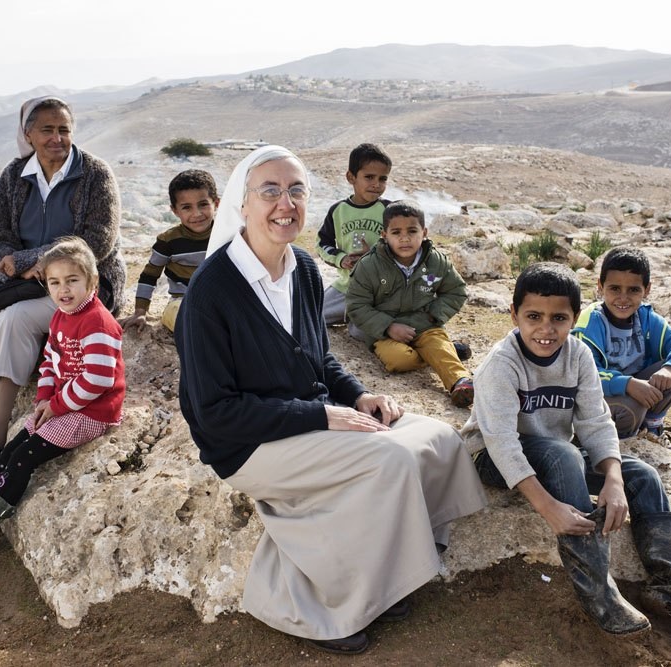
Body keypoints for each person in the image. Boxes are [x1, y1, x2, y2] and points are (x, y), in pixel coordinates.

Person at [176, 145, 486, 655]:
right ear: (243, 204)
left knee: (437, 437)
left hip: (309, 423)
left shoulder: (300, 266)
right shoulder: (211, 293)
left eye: (296, 190)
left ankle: (389, 571)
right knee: (386, 457)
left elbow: (318, 361)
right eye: (270, 191)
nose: (285, 203)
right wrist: (321, 414)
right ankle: (318, 606)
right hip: (247, 445)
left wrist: (360, 396)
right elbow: (214, 412)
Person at [461, 262, 671, 636]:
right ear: (514, 315)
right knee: (565, 456)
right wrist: (550, 509)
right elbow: (500, 441)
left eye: (559, 318)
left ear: (575, 317)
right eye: (533, 316)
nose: (546, 329)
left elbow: (595, 422)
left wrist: (612, 479)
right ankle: (599, 592)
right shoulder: (502, 364)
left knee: (641, 474)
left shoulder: (577, 356)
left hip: (553, 450)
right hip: (491, 456)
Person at [0, 237, 125, 559]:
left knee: (22, 458)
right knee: (12, 448)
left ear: (93, 281)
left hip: (92, 412)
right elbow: (50, 360)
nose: (63, 290)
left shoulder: (98, 322)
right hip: (66, 404)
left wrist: (56, 404)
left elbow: (98, 380)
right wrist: (44, 395)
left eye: (73, 281)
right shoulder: (60, 315)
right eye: (55, 283)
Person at [0, 96, 126, 470]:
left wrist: (37, 261)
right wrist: (8, 261)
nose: (56, 138)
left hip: (83, 286)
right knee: (1, 321)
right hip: (31, 284)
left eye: (63, 129)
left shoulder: (95, 174)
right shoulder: (14, 176)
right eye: (46, 130)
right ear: (28, 134)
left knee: (12, 319)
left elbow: (98, 241)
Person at [346, 200, 475, 407]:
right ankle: (441, 354)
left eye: (412, 231)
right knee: (400, 360)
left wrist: (434, 315)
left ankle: (460, 382)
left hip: (425, 326)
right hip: (384, 333)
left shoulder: (436, 261)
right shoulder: (370, 265)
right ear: (384, 234)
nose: (405, 239)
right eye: (396, 232)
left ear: (424, 232)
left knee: (436, 342)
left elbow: (456, 291)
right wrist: (388, 326)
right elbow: (356, 305)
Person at [572, 247, 671, 439]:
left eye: (633, 290)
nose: (623, 298)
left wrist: (669, 370)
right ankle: (622, 444)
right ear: (600, 286)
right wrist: (628, 384)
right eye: (614, 288)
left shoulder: (646, 318)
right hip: (599, 398)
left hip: (637, 389)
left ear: (646, 290)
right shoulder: (590, 323)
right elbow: (585, 374)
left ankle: (653, 429)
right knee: (632, 408)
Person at [121, 169, 218, 334]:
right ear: (175, 211)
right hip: (183, 302)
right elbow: (149, 276)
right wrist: (140, 311)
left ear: (216, 203)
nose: (197, 213)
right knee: (185, 320)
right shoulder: (168, 241)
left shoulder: (227, 236)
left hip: (219, 303)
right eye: (187, 207)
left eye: (203, 204)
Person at [316, 143, 392, 333]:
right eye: (369, 177)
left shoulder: (390, 211)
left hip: (379, 291)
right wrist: (342, 259)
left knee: (358, 333)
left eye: (383, 179)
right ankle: (352, 313)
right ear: (351, 177)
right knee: (313, 316)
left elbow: (405, 248)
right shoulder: (338, 211)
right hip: (346, 287)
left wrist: (375, 255)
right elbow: (322, 244)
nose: (377, 184)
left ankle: (361, 317)